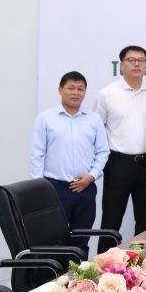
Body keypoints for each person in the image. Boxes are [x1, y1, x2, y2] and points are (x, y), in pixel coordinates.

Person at [29, 71, 109, 254]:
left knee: (81, 240)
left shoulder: (94, 119)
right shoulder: (45, 118)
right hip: (54, 189)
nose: (75, 93)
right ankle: (55, 273)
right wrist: (39, 189)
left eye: (80, 89)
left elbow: (103, 151)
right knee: (53, 240)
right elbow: (36, 155)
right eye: (71, 88)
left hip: (85, 188)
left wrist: (92, 176)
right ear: (60, 90)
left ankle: (79, 273)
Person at [92, 46, 146, 252]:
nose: (137, 64)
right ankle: (103, 264)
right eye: (131, 60)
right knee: (111, 219)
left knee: (145, 221)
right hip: (117, 163)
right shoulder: (107, 94)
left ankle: (142, 266)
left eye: (141, 60)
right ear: (121, 65)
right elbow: (96, 130)